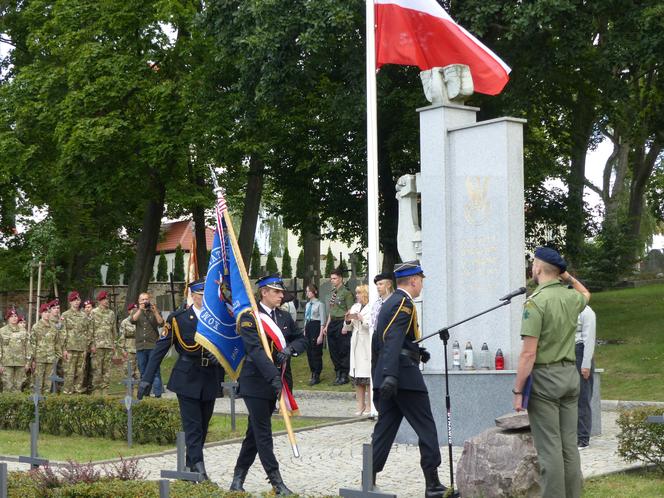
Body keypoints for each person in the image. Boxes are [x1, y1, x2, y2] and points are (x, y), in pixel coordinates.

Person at [513, 247, 591, 498]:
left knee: (549, 451)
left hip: (545, 379)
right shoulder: (571, 297)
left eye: (533, 264)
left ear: (537, 268)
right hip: (570, 376)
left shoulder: (535, 302)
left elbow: (528, 354)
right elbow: (586, 293)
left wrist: (517, 391)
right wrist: (566, 277)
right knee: (569, 445)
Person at [138, 278, 224, 480]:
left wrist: (219, 356)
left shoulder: (219, 318)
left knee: (202, 426)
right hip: (188, 377)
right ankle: (200, 472)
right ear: (192, 296)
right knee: (193, 427)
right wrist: (146, 379)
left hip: (210, 376)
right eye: (201, 295)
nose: (205, 299)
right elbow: (160, 349)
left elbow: (228, 344)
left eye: (208, 295)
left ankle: (189, 466)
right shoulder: (179, 318)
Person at [371, 261, 444, 497]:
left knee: (385, 429)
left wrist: (415, 352)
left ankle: (367, 476)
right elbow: (391, 339)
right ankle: (432, 483)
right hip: (403, 377)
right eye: (420, 279)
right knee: (426, 427)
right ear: (413, 280)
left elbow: (382, 340)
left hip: (392, 373)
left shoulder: (390, 302)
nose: (421, 284)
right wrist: (392, 374)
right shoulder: (403, 302)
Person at [229, 274, 307, 495]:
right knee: (263, 432)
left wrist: (289, 350)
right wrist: (273, 375)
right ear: (264, 292)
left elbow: (301, 339)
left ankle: (238, 478)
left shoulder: (283, 317)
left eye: (281, 292)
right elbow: (255, 349)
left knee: (254, 432)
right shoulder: (249, 318)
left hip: (277, 380)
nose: (281, 295)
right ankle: (276, 481)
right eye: (277, 292)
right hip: (256, 381)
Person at [321, 268, 354, 385]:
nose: (332, 281)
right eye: (331, 279)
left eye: (334, 278)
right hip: (333, 323)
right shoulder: (332, 293)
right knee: (333, 350)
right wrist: (326, 325)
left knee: (343, 349)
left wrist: (346, 325)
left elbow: (350, 310)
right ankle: (338, 372)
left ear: (341, 278)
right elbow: (331, 311)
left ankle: (344, 375)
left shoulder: (346, 293)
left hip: (341, 322)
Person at [131, 292, 164, 397]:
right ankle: (146, 394)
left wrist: (155, 312)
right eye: (143, 300)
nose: (145, 301)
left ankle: (158, 395)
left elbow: (161, 323)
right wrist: (140, 309)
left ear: (149, 300)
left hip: (153, 346)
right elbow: (132, 320)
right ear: (139, 301)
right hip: (141, 346)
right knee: (143, 371)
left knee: (155, 371)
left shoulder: (154, 310)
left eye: (146, 299)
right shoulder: (136, 311)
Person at [345, 284, 372, 415]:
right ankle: (360, 405)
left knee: (367, 375)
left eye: (359, 293)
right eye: (356, 293)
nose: (356, 295)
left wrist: (362, 319)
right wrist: (348, 320)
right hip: (356, 342)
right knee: (357, 376)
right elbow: (348, 327)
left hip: (366, 342)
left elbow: (371, 325)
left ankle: (370, 405)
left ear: (365, 294)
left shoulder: (372, 307)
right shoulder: (355, 307)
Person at [61, 291, 92, 394]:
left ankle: (78, 393)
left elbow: (88, 331)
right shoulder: (65, 315)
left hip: (81, 348)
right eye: (74, 300)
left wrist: (86, 347)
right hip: (70, 348)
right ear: (70, 302)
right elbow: (62, 333)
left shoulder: (84, 316)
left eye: (78, 300)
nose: (76, 302)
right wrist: (64, 349)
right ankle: (67, 393)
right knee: (69, 372)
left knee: (80, 372)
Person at [30, 302, 63, 394]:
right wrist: (32, 360)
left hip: (51, 359)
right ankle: (36, 405)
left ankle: (45, 405)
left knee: (48, 384)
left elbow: (57, 343)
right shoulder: (36, 327)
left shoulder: (54, 327)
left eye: (48, 312)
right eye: (45, 312)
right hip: (39, 359)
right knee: (38, 383)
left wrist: (57, 356)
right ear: (41, 313)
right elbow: (32, 344)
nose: (47, 314)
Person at [576, 304, 596, 450]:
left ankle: (583, 438)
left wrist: (586, 364)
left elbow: (589, 338)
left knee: (582, 396)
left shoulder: (586, 311)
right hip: (566, 351)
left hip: (580, 351)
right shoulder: (566, 306)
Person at [91, 291, 117, 395]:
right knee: (97, 369)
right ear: (99, 301)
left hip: (109, 345)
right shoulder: (94, 312)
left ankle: (105, 391)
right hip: (97, 346)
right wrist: (92, 344)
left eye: (107, 299)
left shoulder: (111, 313)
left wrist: (114, 344)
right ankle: (97, 392)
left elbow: (113, 329)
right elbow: (90, 330)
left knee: (107, 370)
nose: (106, 301)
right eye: (104, 299)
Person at [0, 307, 31, 392]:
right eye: (12, 316)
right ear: (8, 318)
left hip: (20, 363)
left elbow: (27, 347)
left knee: (18, 387)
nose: (14, 318)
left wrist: (28, 362)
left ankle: (18, 405)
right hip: (6, 363)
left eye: (15, 316)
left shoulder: (23, 331)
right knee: (7, 386)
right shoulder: (2, 331)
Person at [304, 283, 325, 386]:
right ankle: (312, 371)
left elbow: (322, 321)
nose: (307, 293)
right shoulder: (308, 304)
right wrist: (304, 329)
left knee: (315, 351)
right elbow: (305, 318)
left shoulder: (320, 304)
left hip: (316, 326)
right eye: (306, 291)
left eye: (309, 291)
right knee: (309, 351)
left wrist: (321, 335)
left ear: (314, 292)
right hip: (308, 326)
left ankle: (317, 373)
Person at [119, 303, 140, 384]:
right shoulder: (125, 322)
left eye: (136, 309)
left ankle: (140, 392)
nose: (134, 311)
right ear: (129, 311)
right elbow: (121, 337)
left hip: (139, 348)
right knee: (129, 372)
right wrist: (122, 350)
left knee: (139, 372)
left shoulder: (140, 320)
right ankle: (129, 393)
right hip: (129, 349)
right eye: (132, 310)